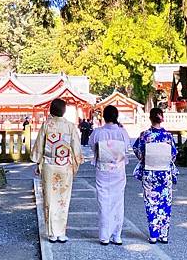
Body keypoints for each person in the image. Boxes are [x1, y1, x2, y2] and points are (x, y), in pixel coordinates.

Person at [31, 98, 83, 243]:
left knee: (50, 199)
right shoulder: (70, 126)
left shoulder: (46, 125)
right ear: (64, 111)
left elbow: (39, 146)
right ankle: (61, 232)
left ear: (51, 110)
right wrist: (75, 163)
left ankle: (52, 233)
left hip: (49, 165)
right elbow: (76, 148)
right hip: (65, 165)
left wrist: (37, 163)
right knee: (63, 199)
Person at [132, 108, 179, 244]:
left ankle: (153, 234)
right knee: (165, 202)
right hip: (164, 172)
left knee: (151, 202)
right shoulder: (168, 136)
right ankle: (164, 235)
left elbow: (138, 151)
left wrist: (147, 159)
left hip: (150, 172)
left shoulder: (144, 135)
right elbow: (173, 155)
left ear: (150, 118)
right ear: (162, 118)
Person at [88, 105, 131, 245]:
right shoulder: (122, 132)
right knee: (118, 201)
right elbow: (126, 148)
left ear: (104, 116)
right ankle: (117, 235)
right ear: (116, 116)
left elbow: (92, 146)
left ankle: (104, 235)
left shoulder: (98, 132)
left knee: (103, 201)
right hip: (118, 170)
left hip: (103, 169)